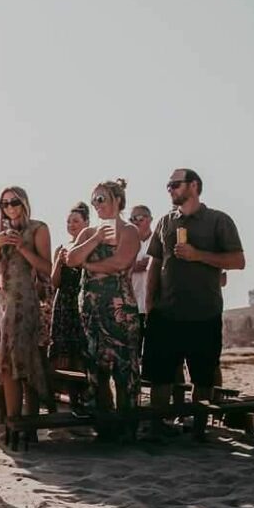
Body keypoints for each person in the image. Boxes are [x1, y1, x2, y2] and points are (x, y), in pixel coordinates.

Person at [144, 169, 245, 441]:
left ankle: (199, 431)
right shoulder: (165, 222)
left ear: (194, 186)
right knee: (160, 376)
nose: (170, 189)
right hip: (166, 313)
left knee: (203, 377)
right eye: (168, 185)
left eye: (175, 184)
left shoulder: (218, 221)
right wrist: (150, 304)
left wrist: (198, 255)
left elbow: (238, 261)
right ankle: (157, 430)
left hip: (204, 313)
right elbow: (155, 263)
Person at [66, 180, 141, 439]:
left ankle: (127, 428)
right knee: (96, 368)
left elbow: (120, 263)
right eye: (94, 199)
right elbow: (71, 259)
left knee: (124, 369)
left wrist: (89, 266)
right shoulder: (89, 233)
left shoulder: (129, 231)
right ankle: (105, 426)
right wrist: (96, 238)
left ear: (118, 201)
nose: (97, 204)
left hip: (119, 309)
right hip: (91, 310)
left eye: (102, 198)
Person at [0, 186, 54, 438]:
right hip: (4, 306)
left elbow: (47, 268)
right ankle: (13, 424)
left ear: (24, 203)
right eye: (4, 204)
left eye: (14, 202)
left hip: (26, 304)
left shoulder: (38, 228)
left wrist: (24, 248)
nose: (10, 207)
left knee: (27, 363)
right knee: (6, 365)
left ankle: (31, 426)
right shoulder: (1, 234)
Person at [49, 202, 91, 405]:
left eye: (76, 221)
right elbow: (54, 282)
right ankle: (69, 398)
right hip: (63, 303)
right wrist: (58, 260)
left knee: (81, 352)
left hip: (82, 303)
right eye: (68, 221)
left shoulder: (91, 247)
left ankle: (85, 397)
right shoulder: (61, 248)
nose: (71, 224)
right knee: (62, 352)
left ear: (86, 223)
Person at [129, 205, 154, 336]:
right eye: (132, 219)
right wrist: (134, 266)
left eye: (140, 218)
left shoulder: (158, 241)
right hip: (132, 306)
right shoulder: (127, 243)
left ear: (150, 219)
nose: (136, 222)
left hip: (154, 306)